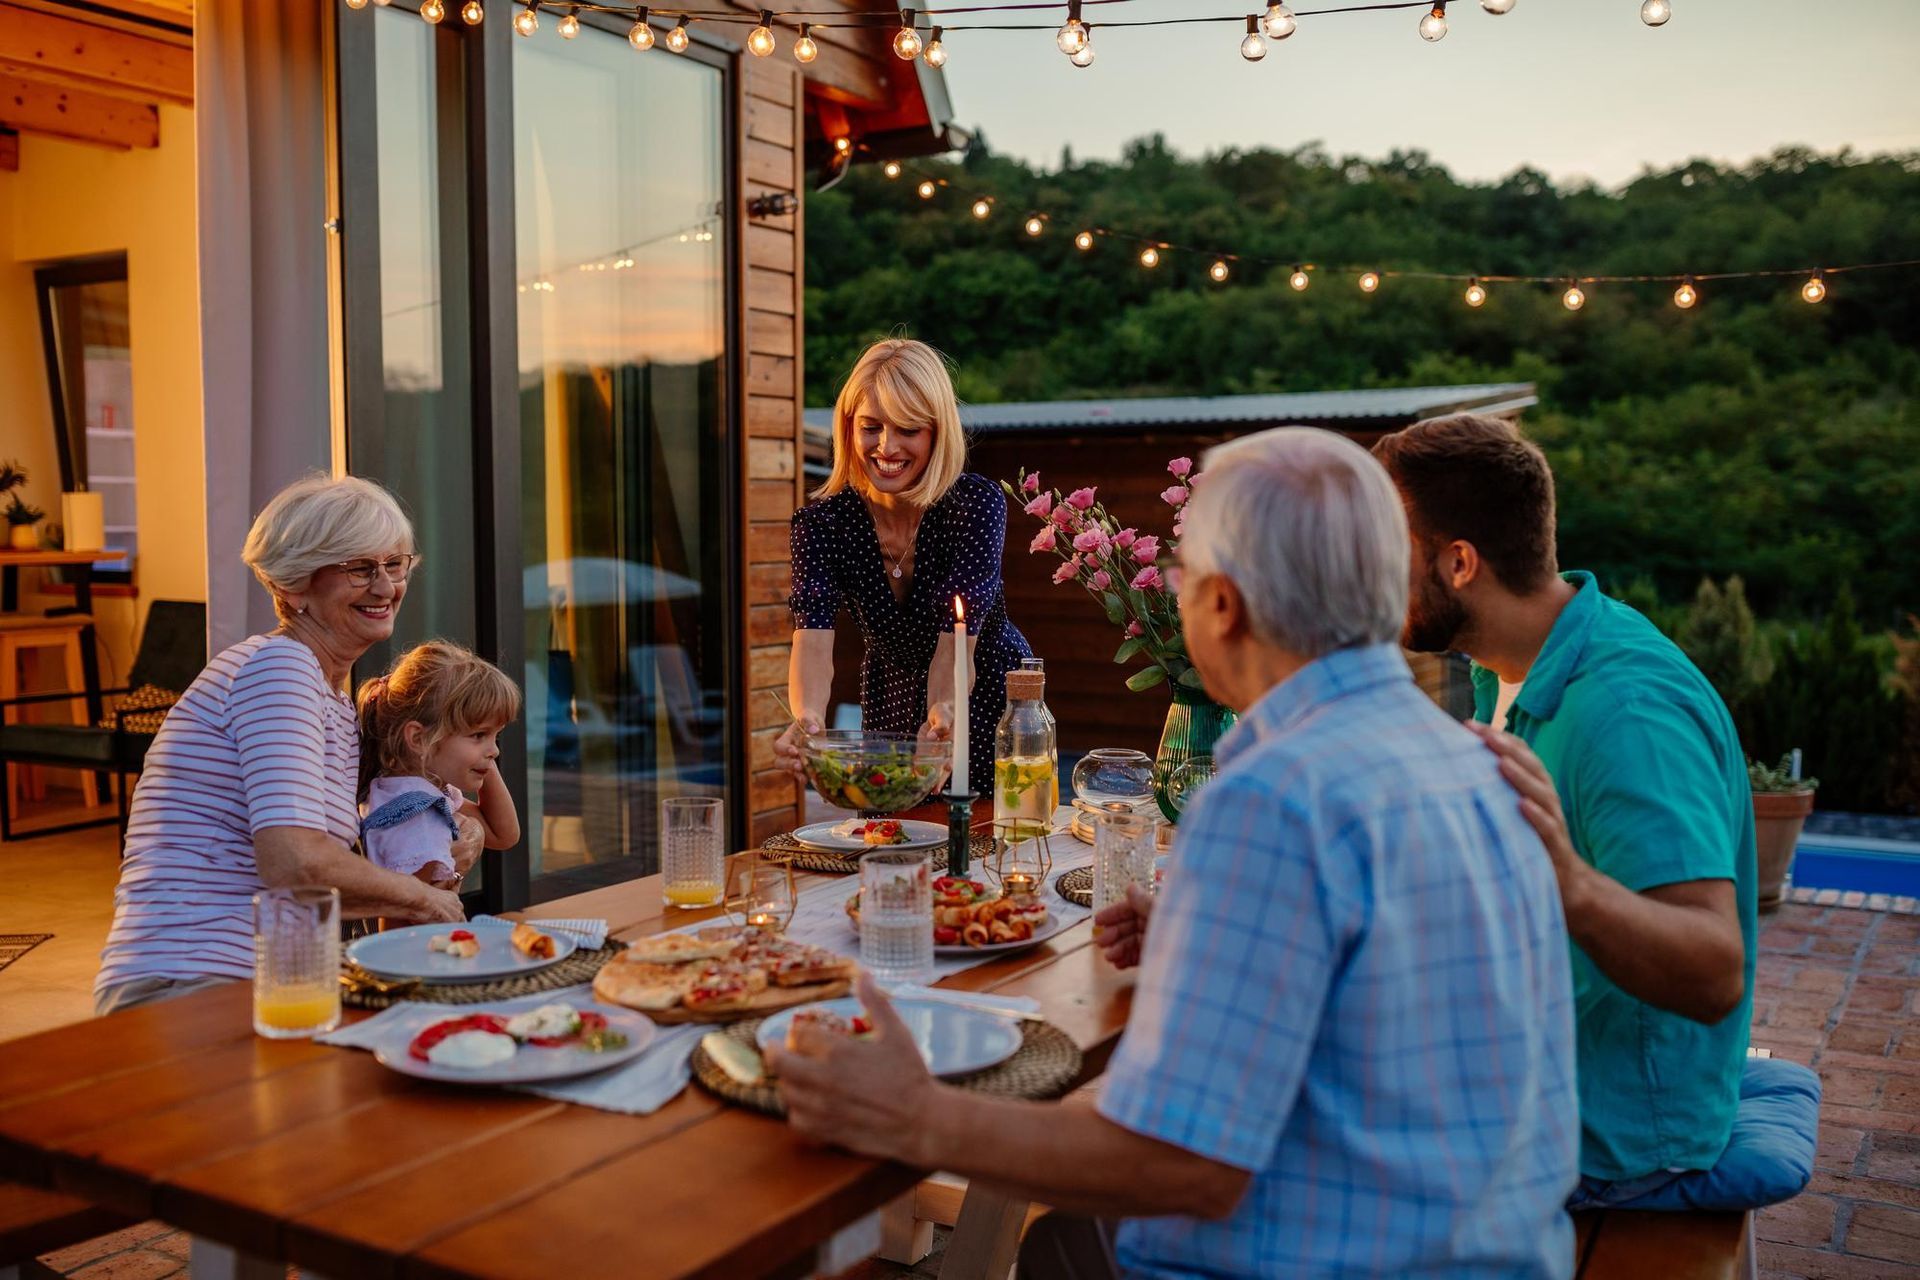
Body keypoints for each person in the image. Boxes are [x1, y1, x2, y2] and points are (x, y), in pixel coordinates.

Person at [769, 427, 1579, 1279]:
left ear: (1221, 605)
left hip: (1336, 1257)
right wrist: (1217, 940)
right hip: (1490, 1245)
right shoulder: (1484, 762)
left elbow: (1180, 1161)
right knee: (1056, 1242)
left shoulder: (1272, 800)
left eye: (1183, 576)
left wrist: (913, 1115)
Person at [1372, 413, 1757, 1209]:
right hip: (1529, 1077)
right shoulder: (1507, 671)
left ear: (1460, 562)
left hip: (1606, 1131)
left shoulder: (1626, 710)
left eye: (1387, 552)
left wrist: (1573, 886)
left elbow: (1715, 968)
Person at [94, 475, 476, 1016]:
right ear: (293, 584)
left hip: (265, 985)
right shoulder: (279, 668)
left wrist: (446, 850)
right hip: (190, 985)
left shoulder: (328, 697)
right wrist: (424, 898)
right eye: (360, 569)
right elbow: (294, 863)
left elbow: (323, 876)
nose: (387, 587)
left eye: (396, 565)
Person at [772, 338, 1031, 789]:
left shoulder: (974, 506)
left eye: (908, 429)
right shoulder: (822, 523)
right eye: (871, 427)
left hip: (984, 692)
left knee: (993, 839)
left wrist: (944, 716)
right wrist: (809, 720)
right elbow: (811, 637)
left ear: (936, 431)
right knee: (893, 840)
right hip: (889, 696)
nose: (887, 447)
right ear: (849, 427)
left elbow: (957, 641)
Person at [356, 640, 522, 890]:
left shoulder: (413, 793)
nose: (495, 750)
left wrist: (483, 753)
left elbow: (503, 834)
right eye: (478, 734)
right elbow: (412, 915)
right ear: (419, 738)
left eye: (495, 736)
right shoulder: (417, 821)